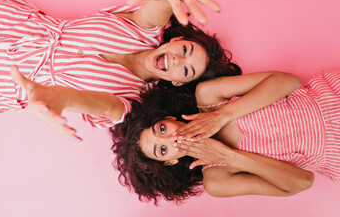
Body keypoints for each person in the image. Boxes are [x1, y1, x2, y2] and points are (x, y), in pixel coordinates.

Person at [0, 0, 240, 140]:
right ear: (175, 41)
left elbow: (104, 107)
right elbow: (158, 5)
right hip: (6, 23)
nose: (177, 60)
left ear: (177, 83)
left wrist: (62, 97)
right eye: (185, 51)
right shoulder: (143, 29)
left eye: (186, 71)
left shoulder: (132, 102)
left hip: (1, 79)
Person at [110, 70, 339, 204]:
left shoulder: (209, 96)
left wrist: (221, 115)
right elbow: (303, 181)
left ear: (168, 117)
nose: (172, 138)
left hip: (330, 97)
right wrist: (227, 155)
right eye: (163, 150)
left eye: (161, 129)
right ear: (170, 162)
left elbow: (290, 82)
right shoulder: (217, 180)